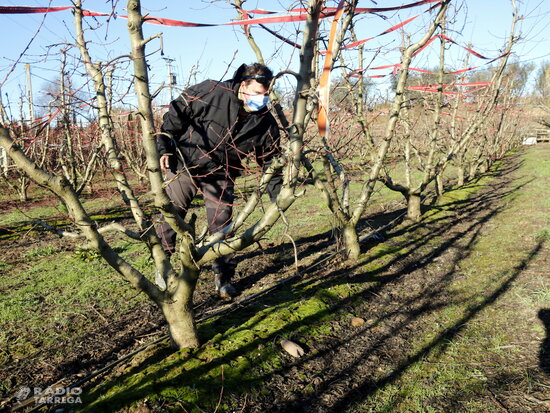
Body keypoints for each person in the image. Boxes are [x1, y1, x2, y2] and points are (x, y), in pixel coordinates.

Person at [155, 63, 281, 299]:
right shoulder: (211, 92)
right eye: (256, 94)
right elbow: (175, 114)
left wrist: (278, 198)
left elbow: (271, 160)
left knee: (222, 224)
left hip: (222, 173)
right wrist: (165, 148)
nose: (261, 100)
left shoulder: (264, 121)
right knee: (171, 215)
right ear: (243, 86)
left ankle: (223, 278)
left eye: (265, 95)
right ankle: (163, 266)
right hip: (185, 164)